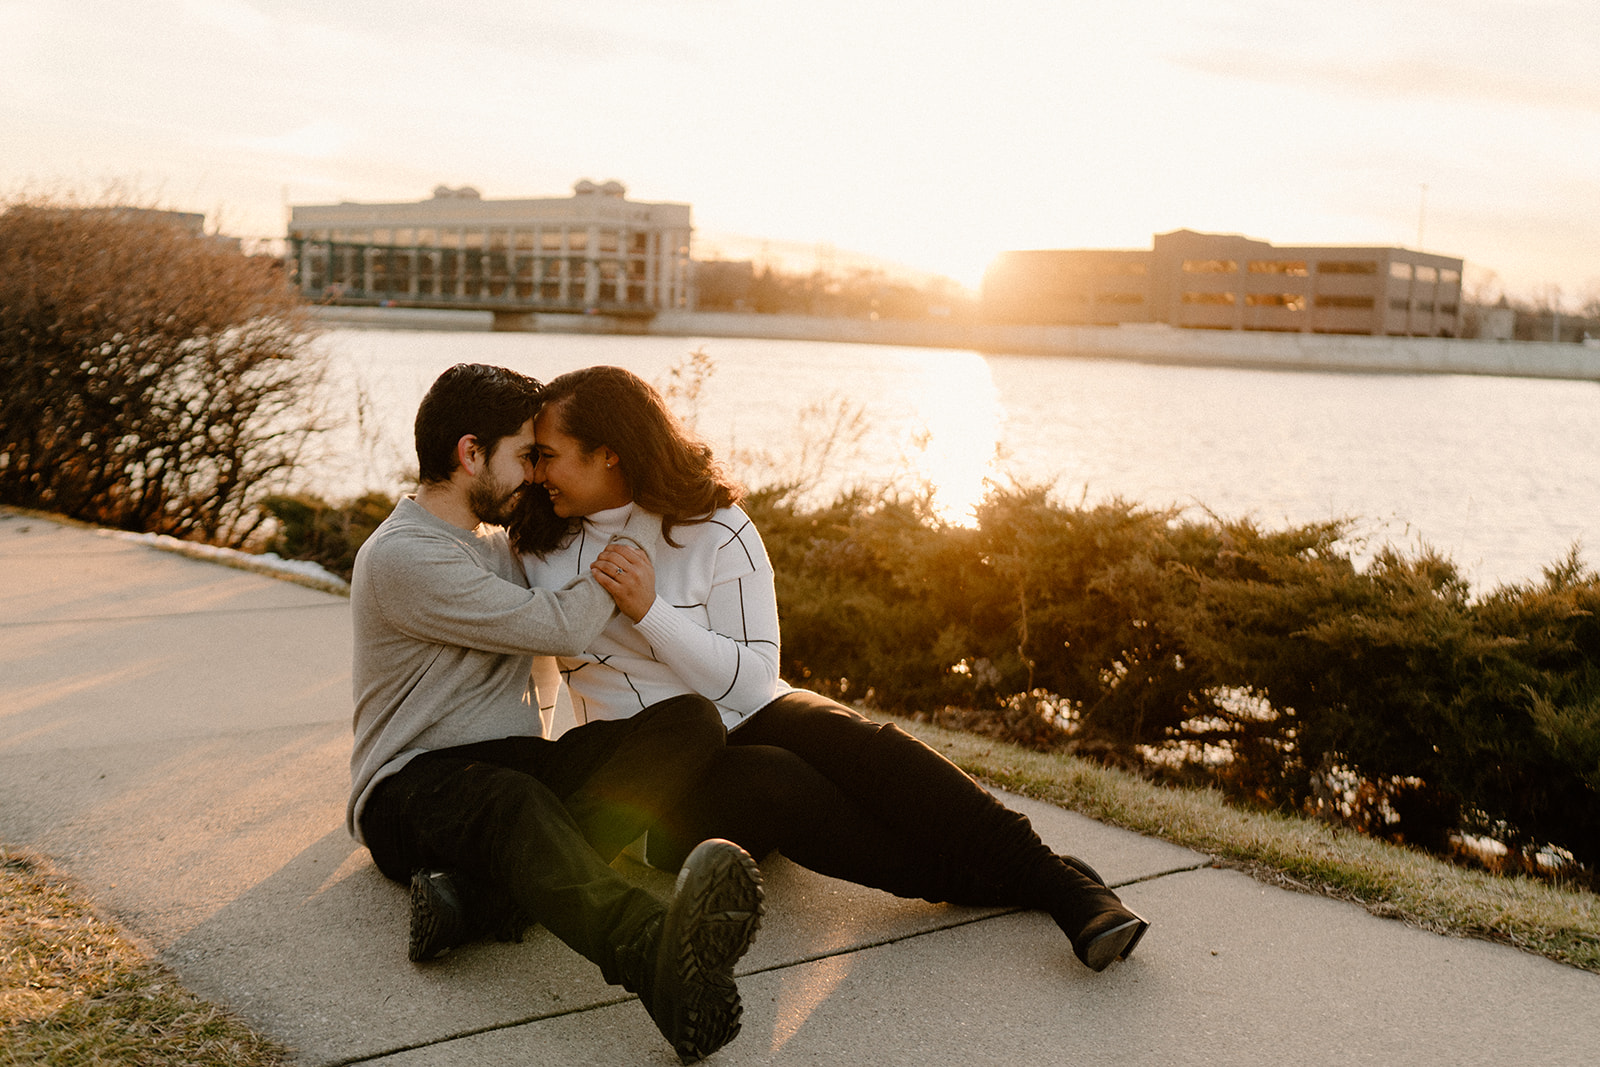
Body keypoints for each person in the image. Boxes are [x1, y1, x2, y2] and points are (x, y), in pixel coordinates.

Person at [511, 365, 1150, 973]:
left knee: (838, 730)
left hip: (752, 716)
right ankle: (1048, 880)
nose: (534, 472)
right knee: (780, 780)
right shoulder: (533, 545)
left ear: (610, 452)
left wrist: (652, 611)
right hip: (654, 788)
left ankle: (1057, 885)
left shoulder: (715, 528)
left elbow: (758, 681)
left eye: (547, 454)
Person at [348, 362, 764, 1064]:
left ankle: (475, 902)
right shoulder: (403, 556)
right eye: (524, 456)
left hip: (510, 767)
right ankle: (653, 950)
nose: (537, 476)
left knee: (690, 720)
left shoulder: (493, 546)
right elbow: (561, 625)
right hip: (408, 786)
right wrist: (631, 550)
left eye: (544, 458)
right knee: (512, 800)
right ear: (470, 454)